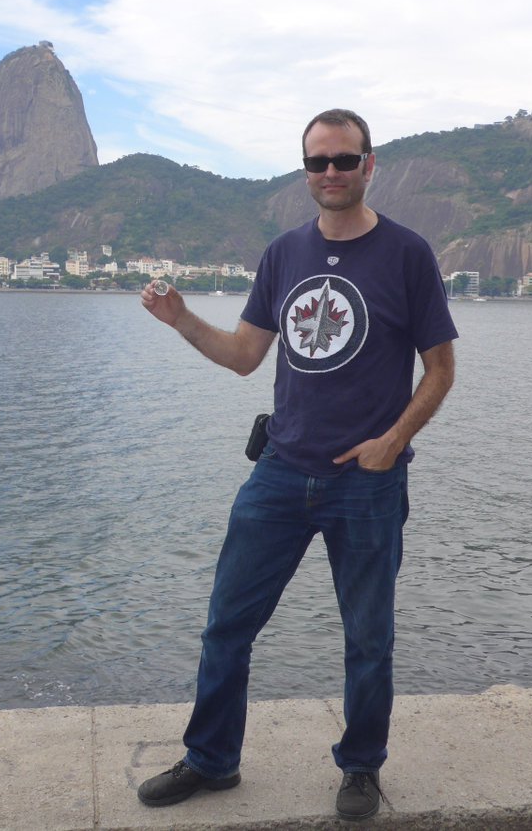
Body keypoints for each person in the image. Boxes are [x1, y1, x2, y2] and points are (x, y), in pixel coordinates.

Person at [137, 108, 458, 822]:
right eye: (319, 162)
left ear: (369, 165)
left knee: (368, 639)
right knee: (228, 623)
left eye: (345, 160)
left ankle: (361, 767)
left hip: (367, 480)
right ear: (305, 173)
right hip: (280, 472)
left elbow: (440, 369)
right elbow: (246, 357)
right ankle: (211, 760)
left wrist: (391, 441)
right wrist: (184, 321)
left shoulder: (407, 254)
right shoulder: (282, 254)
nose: (332, 173)